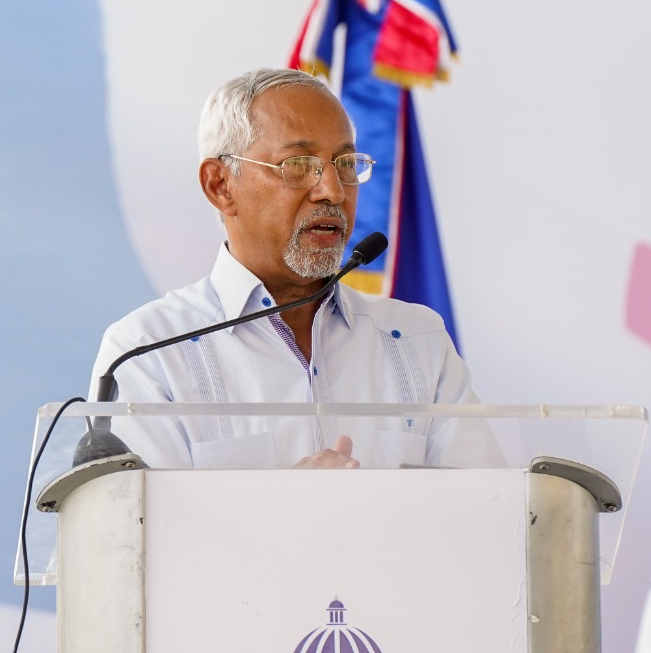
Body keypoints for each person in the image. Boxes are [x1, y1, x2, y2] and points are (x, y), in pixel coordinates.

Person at [88, 68, 497, 469]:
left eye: (346, 164)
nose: (333, 191)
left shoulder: (416, 338)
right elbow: (142, 531)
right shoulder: (147, 351)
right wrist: (293, 509)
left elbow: (489, 512)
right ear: (220, 185)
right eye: (299, 165)